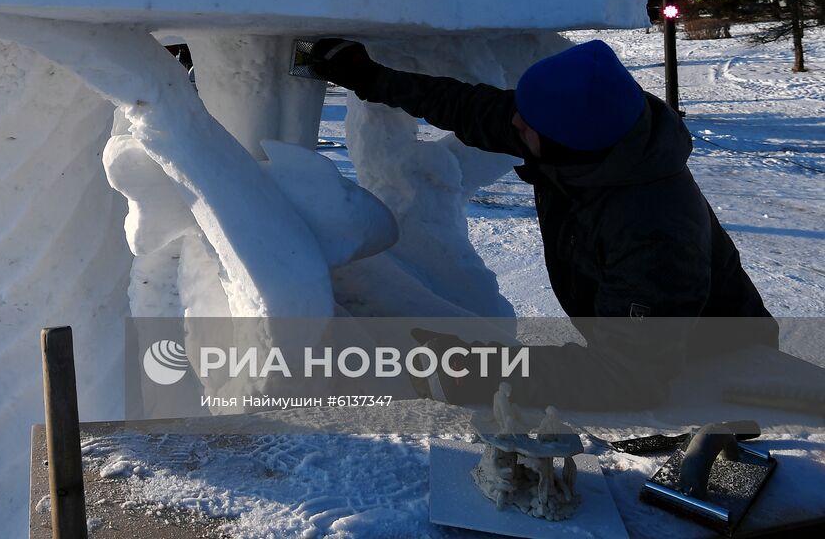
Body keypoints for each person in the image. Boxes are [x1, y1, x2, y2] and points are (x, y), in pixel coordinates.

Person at [311, 37, 777, 407]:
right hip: (646, 353)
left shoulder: (651, 232)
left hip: (716, 370)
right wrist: (368, 77)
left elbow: (627, 376)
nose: (513, 122)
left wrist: (482, 370)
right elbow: (470, 107)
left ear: (563, 144)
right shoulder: (592, 137)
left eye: (524, 123)